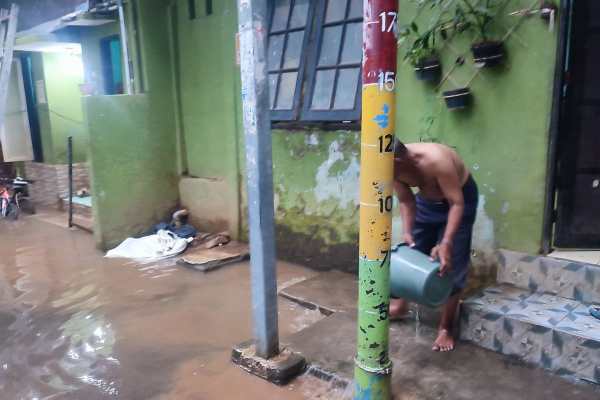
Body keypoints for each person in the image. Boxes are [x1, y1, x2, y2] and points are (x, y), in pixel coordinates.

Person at [390, 139, 478, 352]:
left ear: (398, 160)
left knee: (450, 262)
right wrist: (406, 232)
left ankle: (446, 326)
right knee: (411, 252)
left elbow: (456, 203)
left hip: (458, 201)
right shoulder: (390, 166)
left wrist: (445, 242)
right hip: (426, 204)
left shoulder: (436, 160)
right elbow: (405, 200)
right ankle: (401, 306)